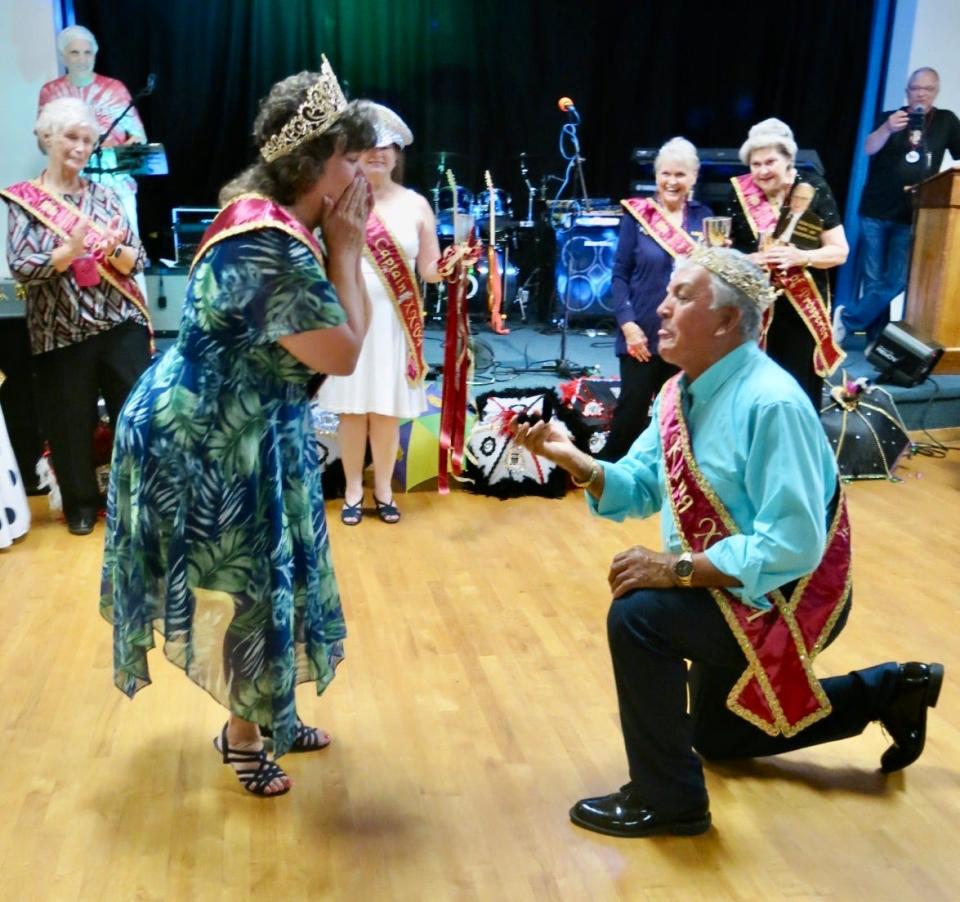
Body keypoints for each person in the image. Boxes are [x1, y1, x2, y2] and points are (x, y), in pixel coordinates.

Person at [512, 246, 943, 838]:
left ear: (727, 322)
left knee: (639, 617)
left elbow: (794, 544)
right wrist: (577, 461)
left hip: (786, 596)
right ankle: (892, 691)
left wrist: (678, 568)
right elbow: (639, 485)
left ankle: (669, 801)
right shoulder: (678, 393)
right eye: (666, 293)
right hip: (732, 584)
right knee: (716, 735)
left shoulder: (772, 403)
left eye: (682, 296)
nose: (660, 307)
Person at [100, 62, 376, 797]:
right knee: (248, 586)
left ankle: (268, 711)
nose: (364, 171)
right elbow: (346, 351)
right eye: (352, 157)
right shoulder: (270, 245)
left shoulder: (277, 222)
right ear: (316, 166)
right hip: (205, 438)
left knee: (276, 575)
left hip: (248, 425)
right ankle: (242, 733)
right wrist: (349, 252)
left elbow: (347, 332)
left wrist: (347, 254)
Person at [2, 97, 151, 536]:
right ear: (48, 138)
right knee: (69, 425)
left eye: (87, 140)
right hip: (60, 332)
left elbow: (137, 256)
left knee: (136, 418)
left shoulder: (106, 196)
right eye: (71, 137)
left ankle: (140, 502)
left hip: (118, 325)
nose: (80, 147)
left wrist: (122, 255)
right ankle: (81, 505)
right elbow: (21, 264)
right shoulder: (25, 201)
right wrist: (65, 254)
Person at [315, 102, 442, 525]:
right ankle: (353, 489)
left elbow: (429, 269)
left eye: (385, 147)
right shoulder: (336, 200)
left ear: (396, 154)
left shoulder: (417, 205)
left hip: (394, 325)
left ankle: (384, 490)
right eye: (367, 147)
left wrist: (455, 265)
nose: (377, 154)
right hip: (350, 319)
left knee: (385, 411)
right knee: (352, 410)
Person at [601, 137, 712, 462]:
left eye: (680, 174)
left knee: (679, 413)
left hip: (684, 335)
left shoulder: (705, 218)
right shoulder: (638, 216)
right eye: (666, 174)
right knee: (632, 411)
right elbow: (619, 275)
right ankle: (610, 475)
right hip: (641, 333)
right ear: (656, 175)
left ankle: (673, 478)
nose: (672, 182)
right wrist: (628, 325)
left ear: (693, 177)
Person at [728, 118, 848, 410]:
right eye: (755, 164)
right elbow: (729, 254)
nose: (762, 171)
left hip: (802, 311)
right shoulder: (741, 195)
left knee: (798, 390)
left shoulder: (814, 189)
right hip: (756, 310)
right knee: (756, 388)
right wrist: (752, 260)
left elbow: (839, 251)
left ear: (789, 160)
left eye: (770, 162)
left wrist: (802, 256)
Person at [836, 68, 960, 344]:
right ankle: (874, 344)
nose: (921, 93)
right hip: (876, 210)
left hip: (915, 213)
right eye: (916, 88)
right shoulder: (889, 118)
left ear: (936, 91)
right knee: (873, 281)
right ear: (908, 91)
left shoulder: (946, 121)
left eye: (927, 89)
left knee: (897, 280)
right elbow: (869, 147)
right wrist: (887, 128)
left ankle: (846, 320)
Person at [39, 25, 148, 238]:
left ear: (95, 55)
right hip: (68, 183)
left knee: (125, 250)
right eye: (75, 52)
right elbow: (43, 143)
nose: (82, 59)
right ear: (63, 57)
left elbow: (139, 136)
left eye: (87, 52)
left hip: (114, 184)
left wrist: (118, 155)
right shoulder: (51, 92)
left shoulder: (114, 88)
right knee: (78, 252)